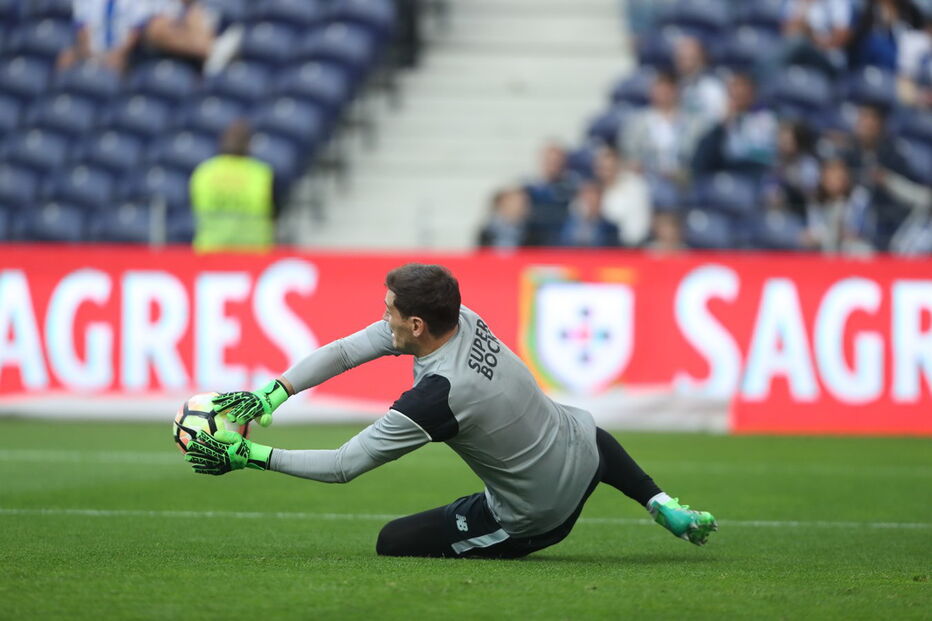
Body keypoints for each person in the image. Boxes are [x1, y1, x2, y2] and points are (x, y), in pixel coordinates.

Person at [184, 264, 718, 558]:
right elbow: (347, 351)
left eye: (389, 311)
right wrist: (273, 393)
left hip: (538, 516)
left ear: (416, 325)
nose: (383, 318)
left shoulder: (437, 397)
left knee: (393, 542)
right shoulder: (464, 318)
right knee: (577, 427)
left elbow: (345, 465)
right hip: (587, 449)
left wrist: (249, 455)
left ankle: (520, 518)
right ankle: (662, 504)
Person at [189, 119, 277, 252]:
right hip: (252, 254)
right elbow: (275, 212)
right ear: (248, 144)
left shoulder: (204, 172)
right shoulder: (261, 174)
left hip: (210, 252)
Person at [57, 0, 154, 73]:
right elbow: (81, 25)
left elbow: (137, 29)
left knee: (119, 65)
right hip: (90, 50)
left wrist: (119, 53)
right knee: (66, 59)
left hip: (121, 52)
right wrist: (89, 52)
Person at [595, 145, 652, 247]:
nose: (606, 173)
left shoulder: (634, 186)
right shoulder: (593, 189)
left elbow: (639, 226)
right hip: (603, 246)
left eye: (610, 168)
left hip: (631, 246)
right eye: (603, 168)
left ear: (618, 166)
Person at [476, 187, 540, 249]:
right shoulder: (488, 231)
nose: (519, 207)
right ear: (501, 204)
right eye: (513, 202)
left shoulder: (532, 232)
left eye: (523, 203)